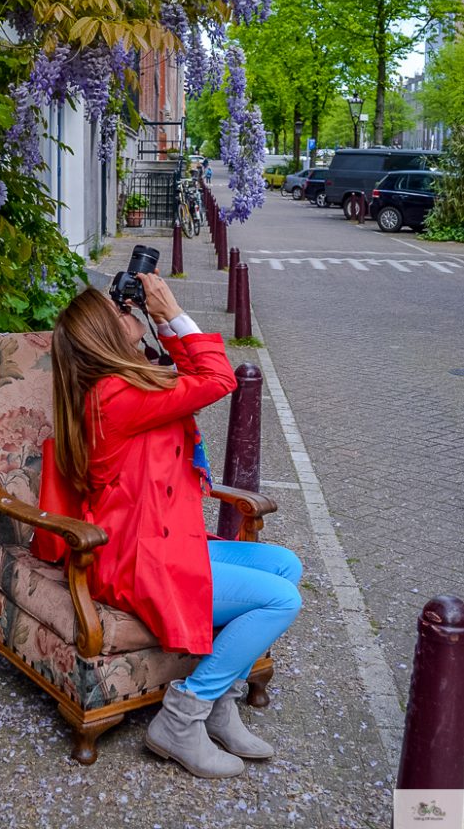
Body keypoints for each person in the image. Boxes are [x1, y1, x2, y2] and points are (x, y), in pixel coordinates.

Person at [50, 275, 302, 779]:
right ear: (104, 335)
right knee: (282, 599)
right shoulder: (115, 397)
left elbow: (191, 378)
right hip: (141, 560)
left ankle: (220, 706)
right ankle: (183, 715)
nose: (131, 311)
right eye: (121, 311)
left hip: (163, 541)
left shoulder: (127, 383)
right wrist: (173, 311)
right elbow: (217, 380)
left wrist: (161, 325)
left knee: (284, 563)